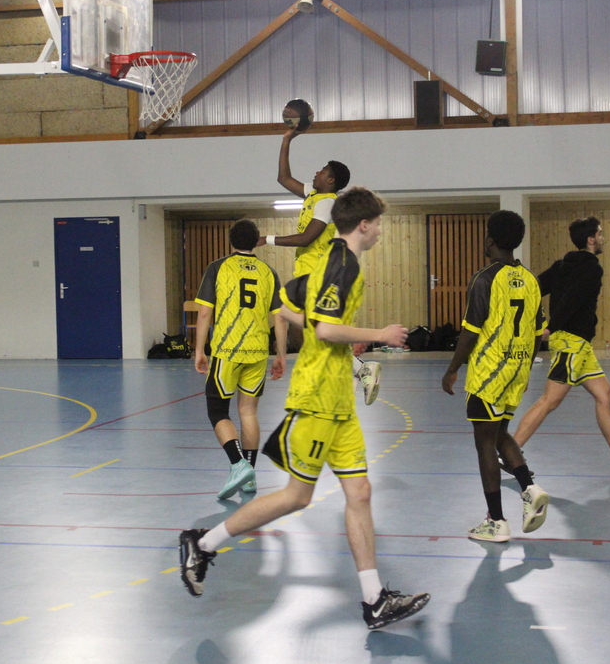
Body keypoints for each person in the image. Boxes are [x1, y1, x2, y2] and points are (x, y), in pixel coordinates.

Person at [180, 187, 430, 629]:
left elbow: (290, 307)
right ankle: (203, 544)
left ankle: (374, 600)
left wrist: (323, 327)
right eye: (378, 224)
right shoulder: (342, 264)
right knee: (297, 496)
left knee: (360, 493)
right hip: (316, 399)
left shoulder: (327, 263)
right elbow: (327, 328)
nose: (380, 232)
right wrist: (378, 334)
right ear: (364, 225)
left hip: (340, 404)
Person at [511, 217, 610, 476]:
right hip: (571, 343)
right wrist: (549, 327)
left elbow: (534, 287)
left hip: (581, 346)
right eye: (600, 234)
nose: (603, 238)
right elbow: (573, 300)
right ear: (591, 240)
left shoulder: (562, 265)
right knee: (549, 401)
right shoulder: (591, 268)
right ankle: (511, 454)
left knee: (604, 395)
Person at [442, 210, 550, 543]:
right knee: (500, 433)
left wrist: (452, 369)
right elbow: (537, 333)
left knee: (485, 443)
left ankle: (497, 521)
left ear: (490, 238)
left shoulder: (485, 278)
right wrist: (525, 367)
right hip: (517, 370)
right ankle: (529, 488)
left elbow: (470, 331)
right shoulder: (531, 280)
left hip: (489, 372)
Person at [258, 127, 382, 406]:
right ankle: (352, 371)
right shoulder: (314, 195)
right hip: (309, 273)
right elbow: (283, 178)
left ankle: (351, 371)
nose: (316, 172)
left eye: (322, 170)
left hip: (318, 274)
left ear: (331, 179)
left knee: (297, 322)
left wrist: (267, 239)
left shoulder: (327, 203)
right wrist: (286, 140)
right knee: (307, 329)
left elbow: (307, 237)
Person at [194, 220, 288, 499]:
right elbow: (280, 318)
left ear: (230, 240)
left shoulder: (218, 267)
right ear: (256, 241)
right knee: (248, 412)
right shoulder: (268, 272)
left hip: (227, 350)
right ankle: (249, 478)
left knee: (217, 411)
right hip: (257, 351)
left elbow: (204, 312)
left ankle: (238, 465)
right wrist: (281, 354)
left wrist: (199, 349)